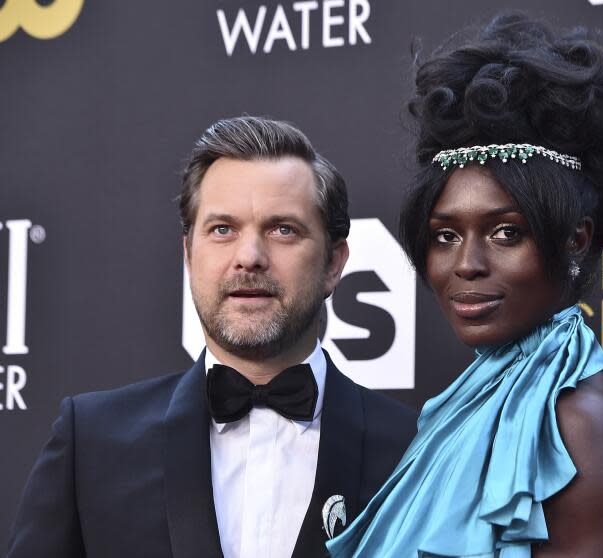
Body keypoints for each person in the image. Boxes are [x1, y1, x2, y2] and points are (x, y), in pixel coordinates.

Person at [6, 117, 417, 558]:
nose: (249, 257)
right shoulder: (90, 444)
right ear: (188, 254)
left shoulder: (415, 452)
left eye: (283, 229)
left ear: (334, 263)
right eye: (223, 229)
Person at [327, 13, 603, 558]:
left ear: (575, 240)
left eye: (506, 232)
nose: (467, 264)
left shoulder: (576, 420)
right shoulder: (470, 401)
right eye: (445, 235)